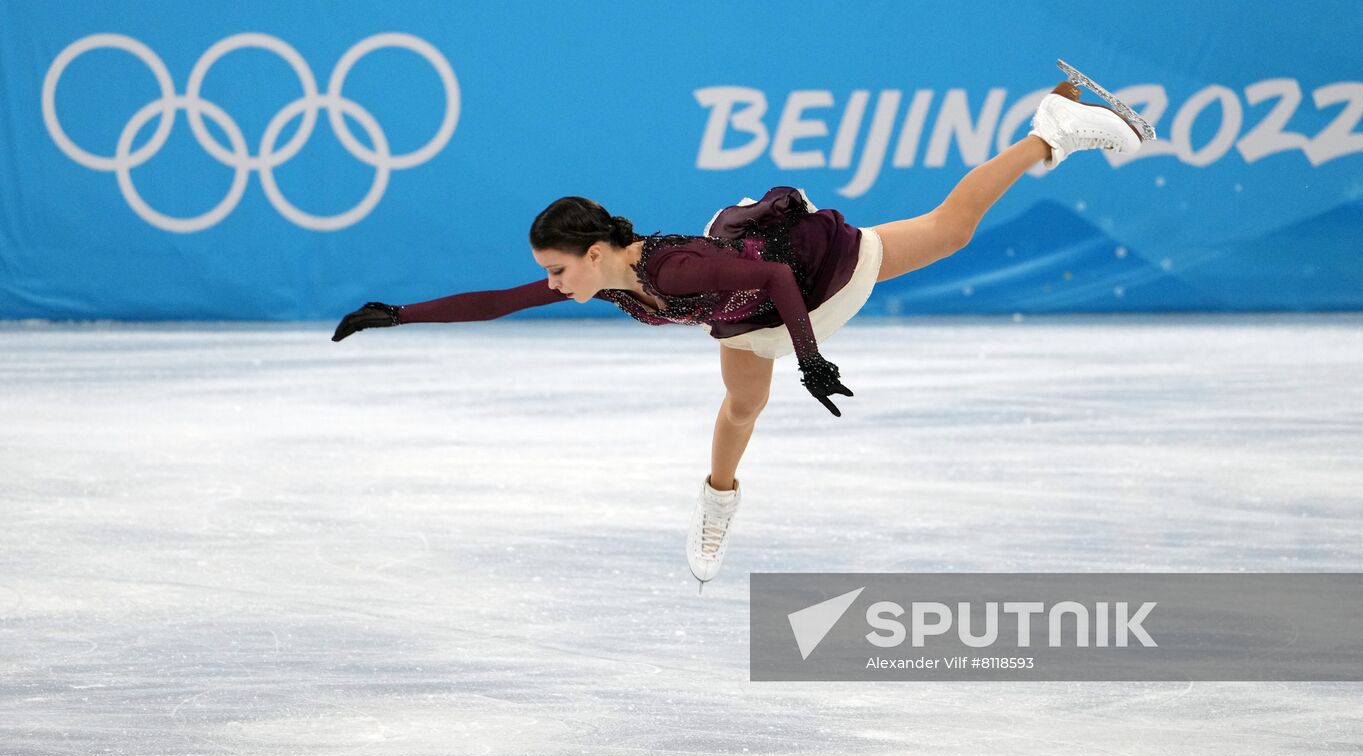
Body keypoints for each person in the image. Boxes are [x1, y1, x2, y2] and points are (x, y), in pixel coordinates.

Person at [332, 79, 1145, 590]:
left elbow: (779, 280)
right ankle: (717, 501)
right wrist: (395, 314)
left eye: (557, 271)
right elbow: (501, 302)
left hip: (811, 277)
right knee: (738, 412)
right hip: (744, 321)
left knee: (950, 228)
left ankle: (1054, 129)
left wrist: (814, 360)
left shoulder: (673, 270)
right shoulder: (611, 275)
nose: (552, 285)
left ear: (593, 253)